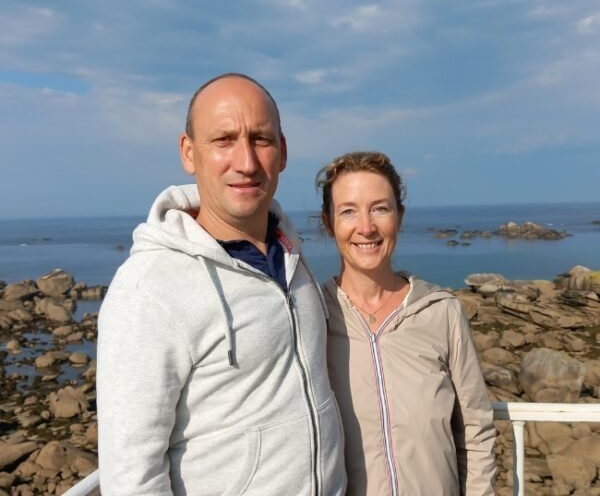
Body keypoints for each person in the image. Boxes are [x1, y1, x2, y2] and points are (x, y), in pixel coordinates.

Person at [97, 73, 346, 495]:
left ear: (283, 153)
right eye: (224, 140)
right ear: (189, 152)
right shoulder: (148, 289)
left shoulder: (290, 256)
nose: (246, 162)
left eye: (261, 139)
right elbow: (131, 475)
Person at [316, 151, 496, 496]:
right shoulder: (313, 315)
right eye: (348, 211)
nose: (366, 227)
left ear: (399, 216)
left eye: (380, 208)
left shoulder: (441, 312)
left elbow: (476, 429)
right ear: (329, 223)